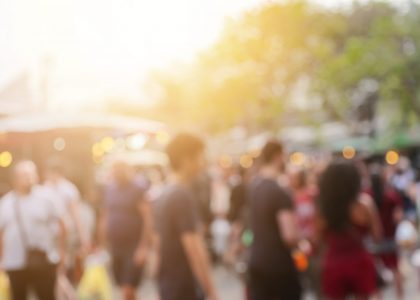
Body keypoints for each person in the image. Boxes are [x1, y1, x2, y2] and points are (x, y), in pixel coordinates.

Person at [156, 133, 219, 300]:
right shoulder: (182, 195)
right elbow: (194, 248)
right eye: (199, 157)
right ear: (186, 159)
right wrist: (211, 291)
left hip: (169, 285)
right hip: (185, 287)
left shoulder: (165, 192)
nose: (202, 163)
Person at [0, 160, 66, 300]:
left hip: (44, 260)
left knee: (47, 295)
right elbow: (2, 233)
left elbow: (62, 226)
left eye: (31, 174)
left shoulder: (47, 198)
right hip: (15, 262)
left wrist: (62, 253)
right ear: (15, 179)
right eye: (24, 175)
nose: (28, 178)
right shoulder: (6, 203)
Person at [318, 161, 380, 300]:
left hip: (333, 263)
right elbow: (377, 236)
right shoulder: (364, 204)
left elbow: (317, 239)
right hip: (360, 261)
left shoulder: (324, 209)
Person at [248, 140, 301, 300]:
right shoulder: (279, 191)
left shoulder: (254, 187)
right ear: (278, 156)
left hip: (256, 259)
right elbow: (289, 235)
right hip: (279, 265)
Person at [99, 160, 153, 300]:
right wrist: (102, 242)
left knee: (128, 287)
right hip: (115, 245)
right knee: (123, 285)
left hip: (133, 245)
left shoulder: (138, 189)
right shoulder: (110, 188)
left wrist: (144, 247)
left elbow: (148, 218)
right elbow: (105, 215)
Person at [44, 158, 89, 283]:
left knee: (66, 264)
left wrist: (83, 237)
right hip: (50, 235)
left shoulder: (68, 189)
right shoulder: (45, 188)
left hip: (67, 233)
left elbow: (76, 215)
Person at [369, 164, 404, 299]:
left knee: (375, 273)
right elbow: (398, 217)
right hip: (390, 237)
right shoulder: (391, 195)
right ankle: (399, 297)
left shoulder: (366, 195)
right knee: (395, 269)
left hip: (374, 240)